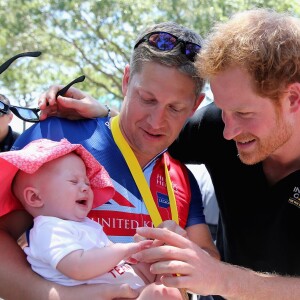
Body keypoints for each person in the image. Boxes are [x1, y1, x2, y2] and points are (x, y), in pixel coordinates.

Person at [35, 8, 300, 299]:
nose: (227, 132)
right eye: (222, 110)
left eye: (243, 113)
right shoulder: (216, 127)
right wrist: (106, 113)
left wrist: (222, 279)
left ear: (293, 98)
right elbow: (151, 133)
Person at [0, 21, 219, 300]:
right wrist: (59, 295)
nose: (156, 121)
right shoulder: (55, 140)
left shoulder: (181, 176)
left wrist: (181, 249)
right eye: (147, 99)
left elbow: (210, 261)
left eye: (175, 108)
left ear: (196, 106)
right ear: (127, 81)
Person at [1, 138, 179, 299]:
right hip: (101, 293)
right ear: (35, 198)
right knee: (160, 293)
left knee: (161, 271)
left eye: (87, 182)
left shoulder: (85, 225)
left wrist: (141, 255)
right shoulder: (47, 229)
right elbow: (78, 266)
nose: (86, 188)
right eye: (74, 181)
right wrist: (125, 249)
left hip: (121, 284)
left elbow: (111, 261)